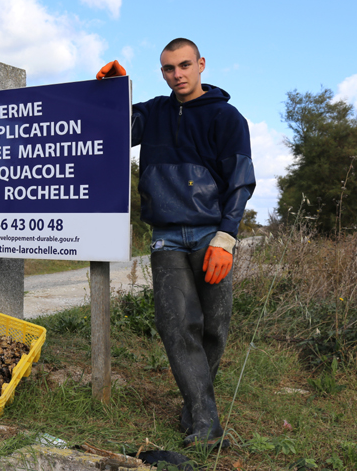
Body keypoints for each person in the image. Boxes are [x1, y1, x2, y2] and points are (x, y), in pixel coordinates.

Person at [97, 38, 255, 448]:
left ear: (201, 64)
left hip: (209, 235)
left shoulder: (227, 117)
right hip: (166, 235)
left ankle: (195, 407)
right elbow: (111, 131)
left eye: (184, 65)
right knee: (177, 326)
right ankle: (206, 425)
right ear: (162, 72)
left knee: (214, 329)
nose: (177, 74)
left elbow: (241, 180)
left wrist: (227, 236)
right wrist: (114, 92)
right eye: (168, 68)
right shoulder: (152, 113)